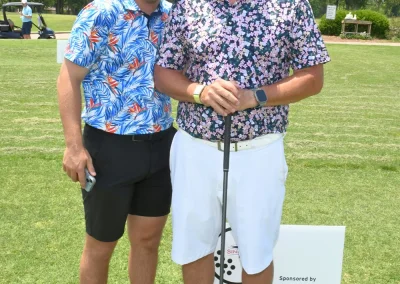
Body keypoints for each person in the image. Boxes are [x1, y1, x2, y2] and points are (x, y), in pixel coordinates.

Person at [154, 0, 331, 283]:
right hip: (195, 148)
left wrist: (255, 96)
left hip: (259, 150)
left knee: (256, 254)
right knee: (194, 250)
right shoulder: (188, 5)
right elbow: (163, 74)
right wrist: (201, 92)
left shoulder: (291, 5)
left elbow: (312, 77)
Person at [56, 0, 174, 283]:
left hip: (161, 146)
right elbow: (69, 77)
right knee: (101, 245)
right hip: (109, 147)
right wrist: (74, 146)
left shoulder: (171, 14)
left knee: (148, 240)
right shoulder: (102, 11)